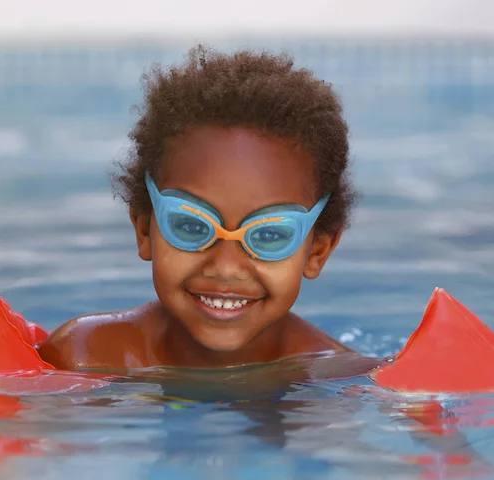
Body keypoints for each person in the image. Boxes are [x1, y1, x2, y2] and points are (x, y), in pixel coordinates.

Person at [38, 45, 362, 371]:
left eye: (270, 235)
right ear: (145, 229)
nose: (225, 267)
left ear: (317, 251)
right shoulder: (87, 356)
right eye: (192, 226)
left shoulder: (339, 379)